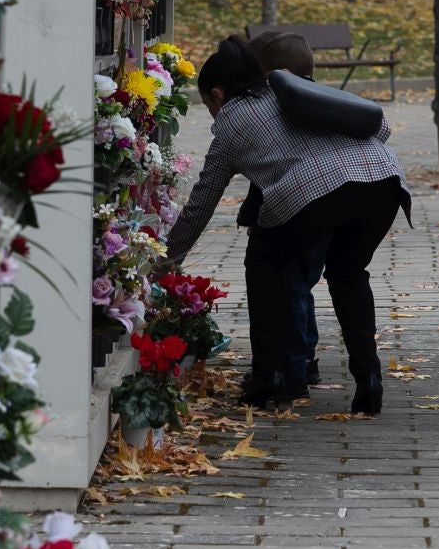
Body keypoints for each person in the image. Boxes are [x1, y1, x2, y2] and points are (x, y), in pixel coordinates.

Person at [165, 37, 409, 412]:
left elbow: (201, 205)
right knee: (349, 275)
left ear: (216, 94)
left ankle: (270, 379)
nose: (212, 113)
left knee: (263, 264)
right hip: (383, 180)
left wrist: (167, 260)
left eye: (208, 105)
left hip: (317, 192)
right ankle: (368, 379)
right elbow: (379, 129)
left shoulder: (230, 124)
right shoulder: (294, 91)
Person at [244, 29, 327, 385]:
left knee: (292, 288)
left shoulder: (283, 110)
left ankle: (293, 369)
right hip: (324, 209)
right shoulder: (321, 102)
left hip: (295, 210)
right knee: (300, 286)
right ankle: (305, 354)